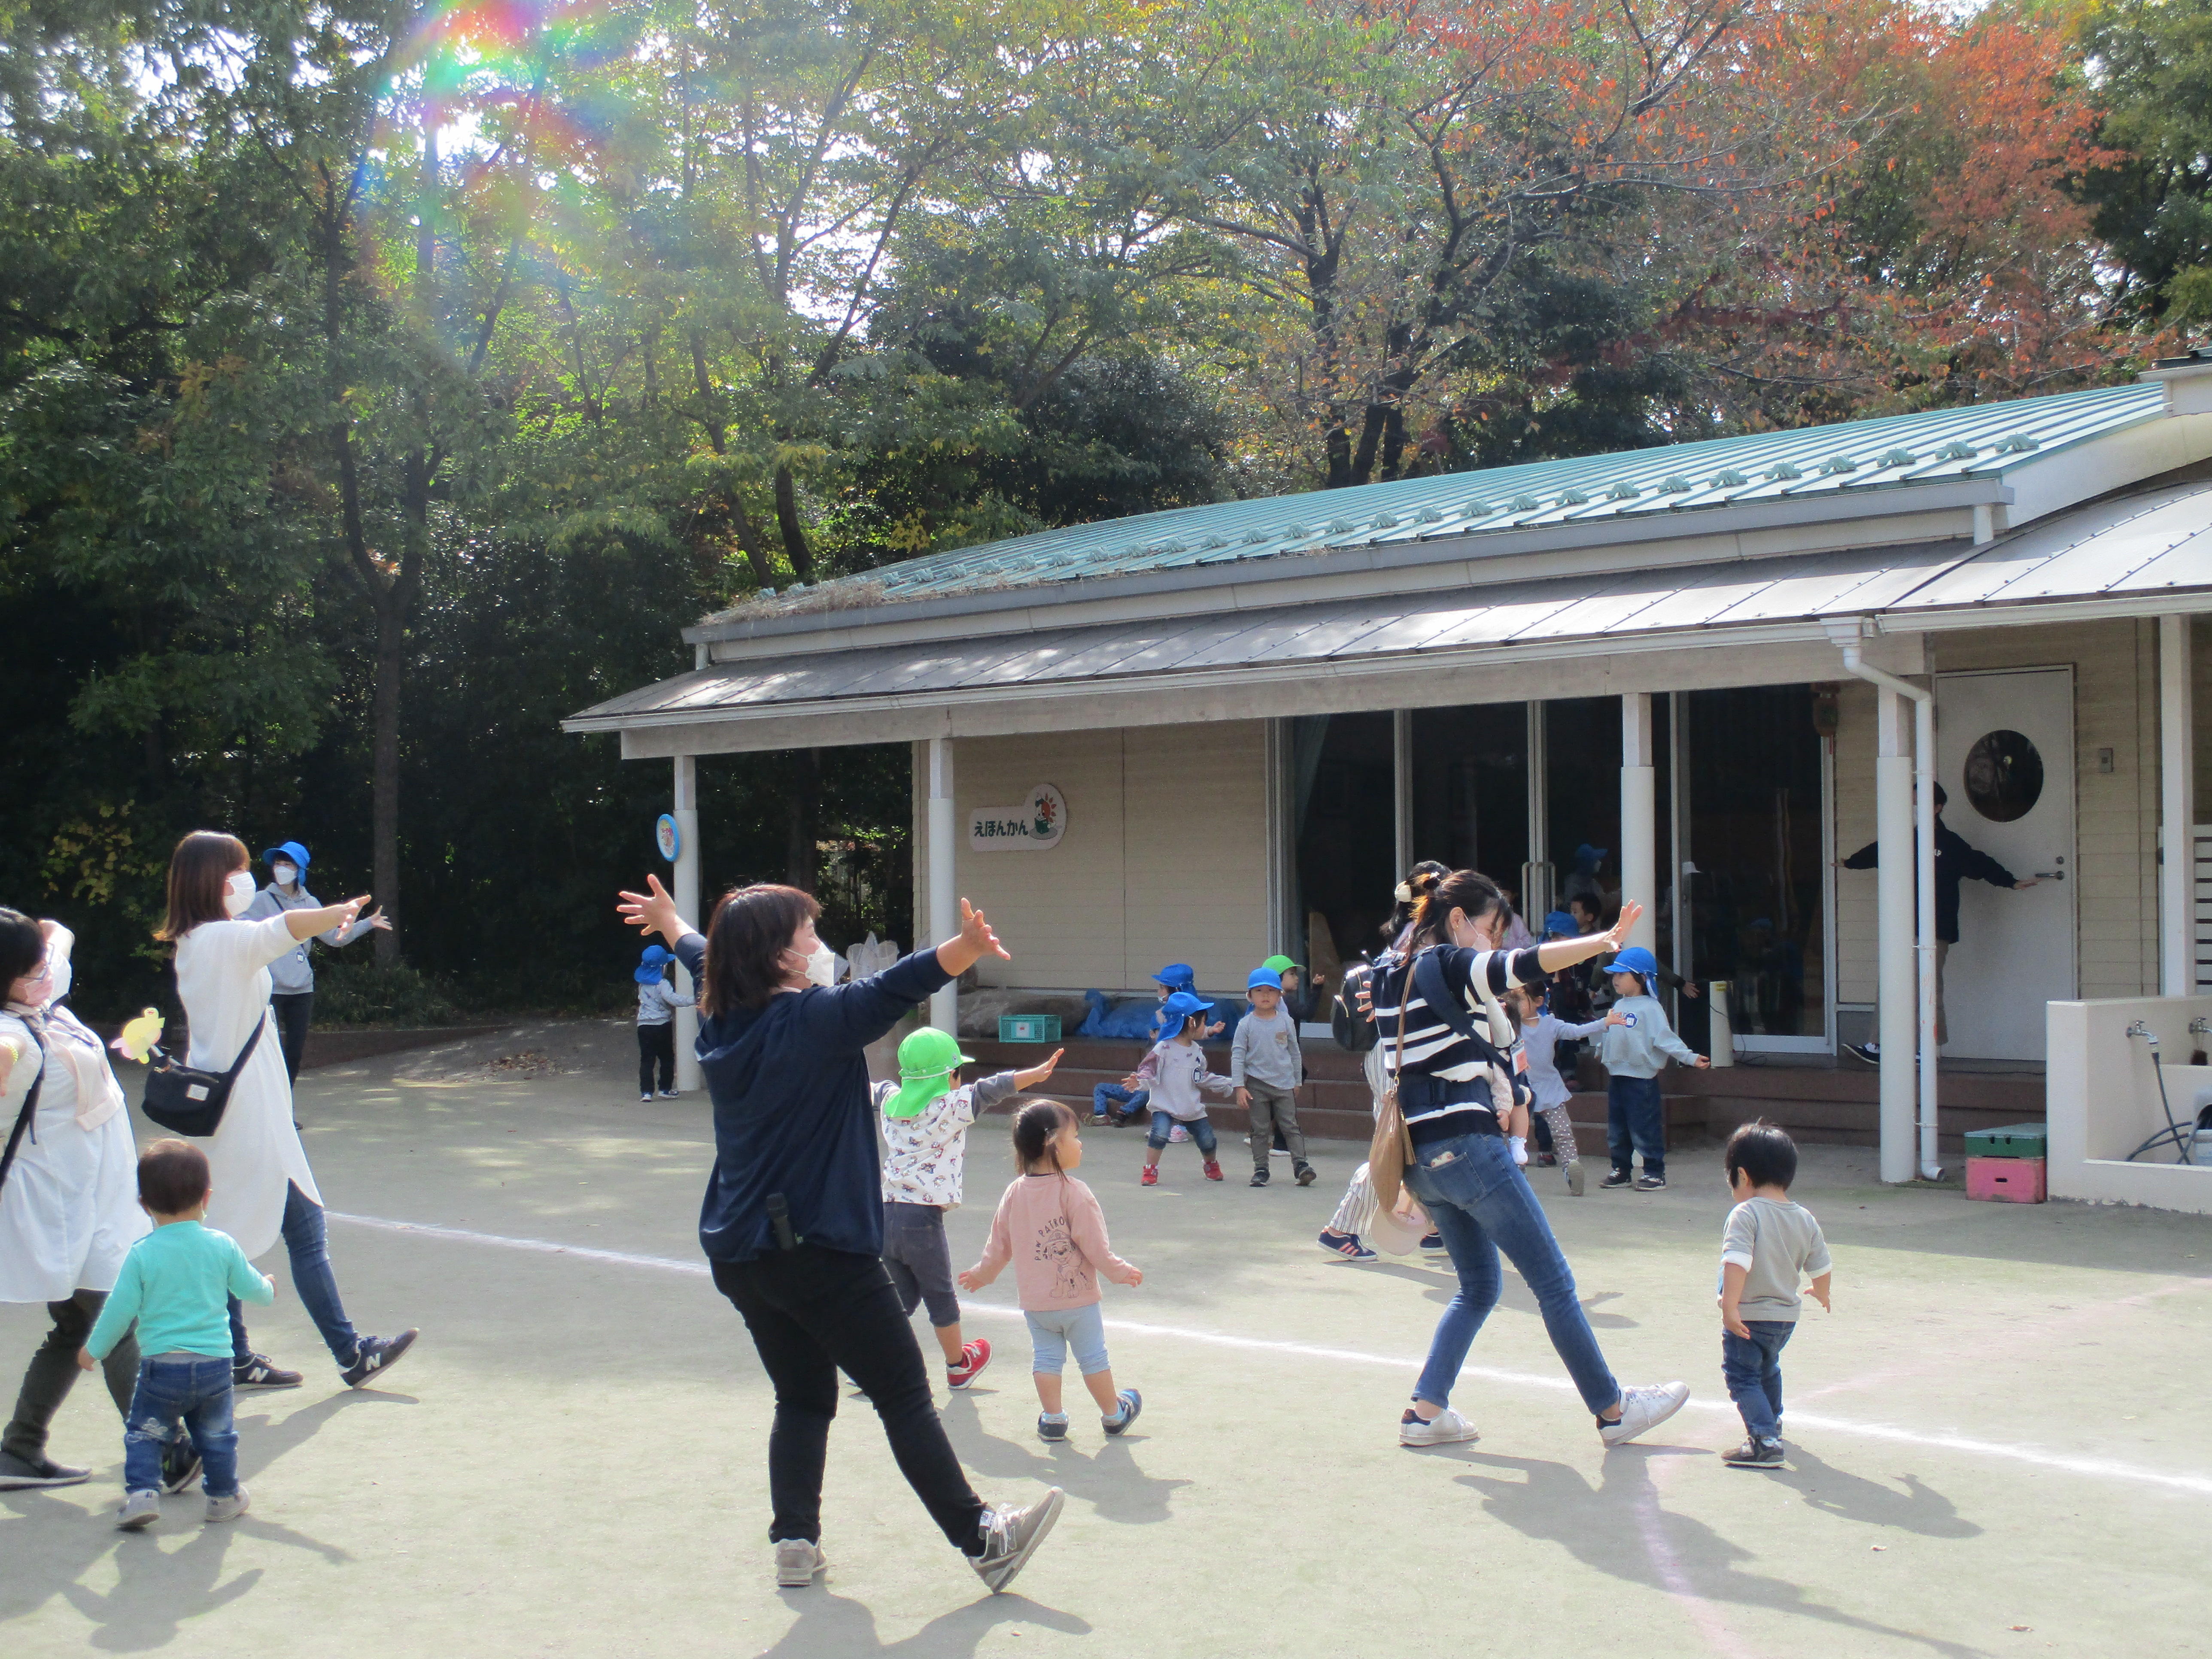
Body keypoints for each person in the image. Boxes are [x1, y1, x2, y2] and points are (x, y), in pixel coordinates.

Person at [616, 872, 1063, 1594]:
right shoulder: (813, 1019)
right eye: (810, 937)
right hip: (817, 1250)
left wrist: (673, 923)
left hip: (741, 1252)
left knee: (802, 1395)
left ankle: (795, 1538)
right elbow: (888, 991)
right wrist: (962, 947)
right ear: (783, 960)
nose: (820, 948)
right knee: (903, 1393)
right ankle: (983, 1536)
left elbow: (710, 955)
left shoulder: (726, 1019)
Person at [1372, 867, 1689, 1449]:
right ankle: (1614, 1410)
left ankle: (1425, 1412)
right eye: (1491, 929)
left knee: (1478, 1287)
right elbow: (1520, 967)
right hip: (1468, 1147)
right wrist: (1602, 941)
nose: (1495, 942)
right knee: (1554, 1283)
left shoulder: (1389, 974)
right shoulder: (1447, 962)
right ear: (1459, 920)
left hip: (1421, 1160)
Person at [160, 832, 418, 1392]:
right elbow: (284, 930)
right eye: (239, 870)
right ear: (214, 880)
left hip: (237, 1115)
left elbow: (277, 933)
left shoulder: (195, 941)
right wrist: (337, 911)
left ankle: (237, 1357)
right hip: (251, 1119)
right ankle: (351, 1353)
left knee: (226, 1232)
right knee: (300, 1230)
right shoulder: (225, 940)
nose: (247, 880)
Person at [0, 913, 196, 1494]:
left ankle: (20, 1447)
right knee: (113, 1322)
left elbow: (57, 932)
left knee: (78, 1330)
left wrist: (42, 940)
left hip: (95, 1203)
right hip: (53, 1213)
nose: (45, 976)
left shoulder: (39, 983)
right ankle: (165, 1451)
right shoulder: (10, 1035)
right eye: (29, 972)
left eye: (42, 967)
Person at [82, 1139, 273, 1529]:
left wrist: (93, 1350)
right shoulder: (222, 1246)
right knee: (218, 1437)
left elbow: (119, 1311)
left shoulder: (142, 1253)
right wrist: (268, 1286)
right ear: (207, 1196)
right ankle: (223, 1496)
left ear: (143, 1204)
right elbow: (254, 1291)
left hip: (161, 1369)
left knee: (145, 1434)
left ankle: (142, 1494)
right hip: (216, 1368)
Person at [871, 1029, 1065, 1392]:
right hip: (922, 1221)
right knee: (940, 1296)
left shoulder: (889, 1100)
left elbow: (867, 1086)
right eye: (957, 1071)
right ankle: (958, 1364)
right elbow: (992, 1089)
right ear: (949, 1076)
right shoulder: (952, 1106)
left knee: (900, 1296)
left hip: (886, 1215)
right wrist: (1036, 1075)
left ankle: (868, 1362)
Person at [960, 1100, 1143, 1443]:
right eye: (1074, 1137)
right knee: (1093, 1358)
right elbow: (1095, 1246)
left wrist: (982, 1275)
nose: (1080, 1144)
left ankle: (1054, 1419)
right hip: (1079, 1301)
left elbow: (999, 1245)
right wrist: (1118, 1272)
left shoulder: (1015, 1192)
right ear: (1051, 1143)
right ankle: (1113, 1414)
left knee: (1046, 1358)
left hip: (1037, 1304)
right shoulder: (1074, 1192)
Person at [1838, 780, 2037, 1060]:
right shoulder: (1902, 840)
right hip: (1902, 928)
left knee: (1927, 988)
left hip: (1934, 928)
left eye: (1921, 802)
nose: (1915, 807)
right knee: (1892, 985)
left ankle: (1926, 1048)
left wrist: (2011, 882)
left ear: (1938, 807)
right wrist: (1848, 863)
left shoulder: (1949, 844)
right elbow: (1875, 853)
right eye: (1912, 802)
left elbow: (1979, 864)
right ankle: (1877, 1045)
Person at [1318, 860, 1449, 1261]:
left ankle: (1433, 1225)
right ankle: (1341, 1227)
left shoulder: (1409, 936)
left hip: (1391, 1051)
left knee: (1413, 1143)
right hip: (1398, 1052)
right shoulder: (1426, 940)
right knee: (1396, 1146)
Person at [1715, 1121, 1832, 1469]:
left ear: (1742, 1175)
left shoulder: (1746, 1213)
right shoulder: (1804, 1217)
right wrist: (1821, 1293)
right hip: (1784, 1319)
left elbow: (1736, 1263)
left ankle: (1764, 1440)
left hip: (1750, 1313)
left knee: (1742, 1376)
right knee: (1768, 1369)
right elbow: (1822, 1265)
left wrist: (1730, 1307)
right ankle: (1773, 1421)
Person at [240, 842, 390, 1089]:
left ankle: (286, 1110)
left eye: (287, 864)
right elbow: (238, 932)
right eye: (278, 863)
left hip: (302, 990)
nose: (281, 868)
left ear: (300, 870)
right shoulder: (259, 901)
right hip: (270, 989)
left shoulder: (311, 903)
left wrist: (368, 924)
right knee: (269, 1053)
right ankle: (269, 1110)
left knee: (294, 1054)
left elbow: (334, 938)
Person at [1593, 945, 1711, 1192]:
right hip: (1617, 1077)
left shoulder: (1651, 1008)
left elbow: (1666, 1039)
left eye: (1621, 975)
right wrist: (1601, 1051)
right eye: (1614, 974)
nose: (1615, 979)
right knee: (1618, 1128)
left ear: (1641, 978)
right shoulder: (1620, 1005)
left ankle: (1654, 1172)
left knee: (1645, 1126)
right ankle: (1621, 1169)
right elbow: (1610, 1032)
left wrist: (1689, 1058)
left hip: (1641, 1080)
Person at [1130, 991, 1237, 1187]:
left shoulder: (1197, 1052)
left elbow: (1201, 1077)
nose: (1206, 1027)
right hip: (1164, 1104)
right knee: (1159, 1134)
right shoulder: (1163, 1048)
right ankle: (1150, 1169)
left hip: (1190, 1106)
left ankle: (1210, 1163)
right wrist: (1138, 1081)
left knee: (1208, 1140)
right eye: (1204, 1022)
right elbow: (1149, 1070)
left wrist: (1228, 1083)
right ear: (1191, 1023)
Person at [1509, 984, 1605, 1197]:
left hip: (1541, 1086)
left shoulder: (1549, 1024)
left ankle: (1571, 1168)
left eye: (1520, 1000)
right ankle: (1518, 1173)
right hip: (1522, 1088)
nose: (1514, 1005)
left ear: (1538, 1002)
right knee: (1520, 1137)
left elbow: (1576, 1031)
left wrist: (1605, 1022)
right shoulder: (1509, 1026)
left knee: (1561, 1133)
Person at [1232, 966, 1312, 1188]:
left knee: (1290, 1126)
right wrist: (1239, 1086)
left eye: (1271, 991)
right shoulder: (1246, 1024)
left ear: (1280, 995)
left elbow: (1294, 1052)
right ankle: (1261, 1169)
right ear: (1250, 996)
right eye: (1259, 991)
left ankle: (1301, 1165)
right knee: (1259, 1129)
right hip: (1256, 1085)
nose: (1265, 996)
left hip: (1284, 1084)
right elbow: (1238, 1056)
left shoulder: (1285, 1021)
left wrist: (1297, 1080)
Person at [635, 943, 692, 1101]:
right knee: (667, 1057)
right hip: (662, 1025)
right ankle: (665, 1089)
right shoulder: (662, 984)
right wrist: (693, 1000)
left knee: (647, 1059)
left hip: (644, 1026)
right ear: (663, 967)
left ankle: (646, 1092)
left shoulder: (642, 984)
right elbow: (673, 999)